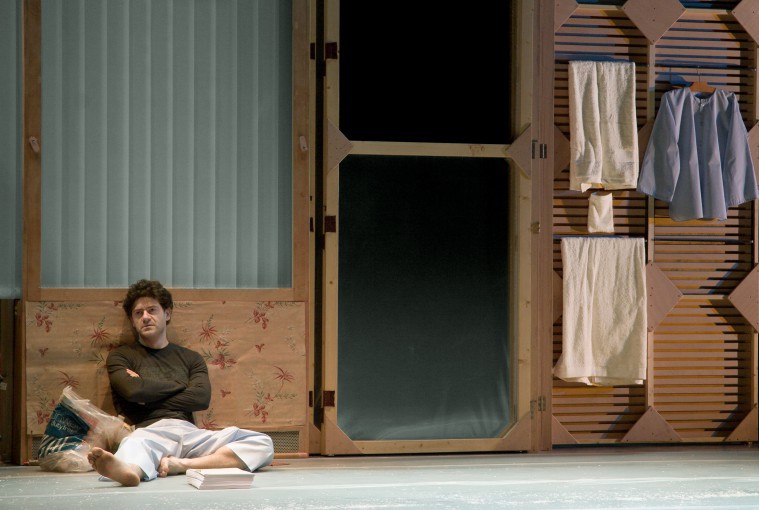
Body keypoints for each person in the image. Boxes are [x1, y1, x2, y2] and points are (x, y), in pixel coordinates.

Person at [87, 279, 274, 486]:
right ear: (132, 320)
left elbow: (201, 398)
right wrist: (182, 385)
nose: (145, 317)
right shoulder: (122, 356)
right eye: (138, 313)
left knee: (262, 443)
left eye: (152, 310)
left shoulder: (191, 358)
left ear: (167, 314)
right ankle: (130, 472)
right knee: (134, 444)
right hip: (150, 431)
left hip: (190, 433)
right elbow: (133, 391)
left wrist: (147, 395)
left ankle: (182, 465)